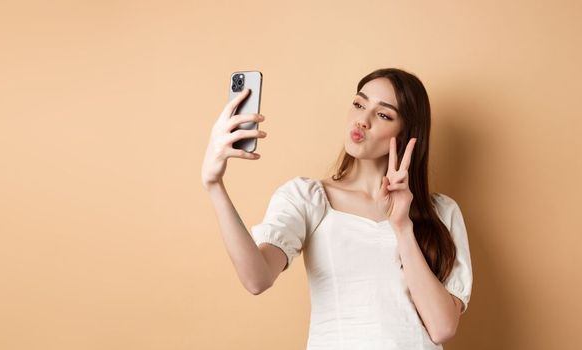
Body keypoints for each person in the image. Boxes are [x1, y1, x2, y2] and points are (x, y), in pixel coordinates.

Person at [200, 68, 473, 349]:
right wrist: (214, 184)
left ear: (406, 134)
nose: (362, 120)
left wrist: (402, 227)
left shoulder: (441, 211)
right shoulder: (308, 197)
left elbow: (442, 328)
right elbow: (256, 278)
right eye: (358, 104)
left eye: (383, 115)